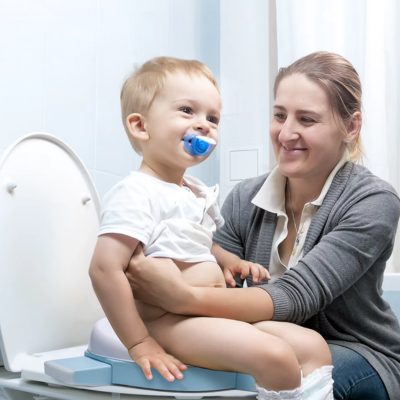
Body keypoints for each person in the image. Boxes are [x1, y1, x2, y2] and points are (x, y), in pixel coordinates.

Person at [125, 52, 400, 400]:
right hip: (264, 337)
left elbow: (296, 297)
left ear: (351, 127)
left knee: (287, 378)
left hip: (358, 349)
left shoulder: (372, 200)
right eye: (280, 115)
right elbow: (213, 276)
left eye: (307, 120)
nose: (286, 133)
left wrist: (179, 297)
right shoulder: (244, 197)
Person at [89, 56, 334, 400]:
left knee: (312, 345)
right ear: (141, 126)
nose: (204, 124)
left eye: (212, 117)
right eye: (187, 111)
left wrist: (227, 260)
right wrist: (139, 342)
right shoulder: (136, 193)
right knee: (275, 356)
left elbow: (195, 241)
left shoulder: (194, 190)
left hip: (202, 312)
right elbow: (104, 269)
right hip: (166, 320)